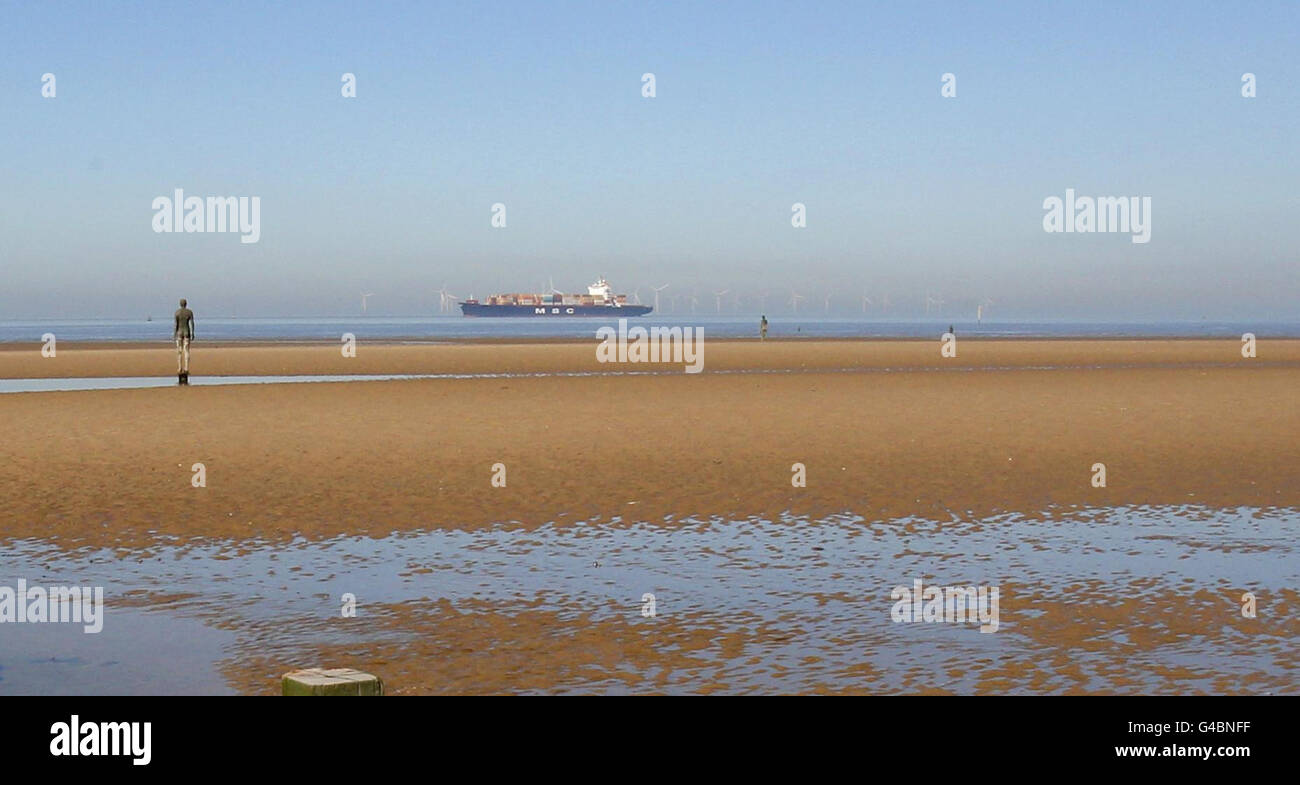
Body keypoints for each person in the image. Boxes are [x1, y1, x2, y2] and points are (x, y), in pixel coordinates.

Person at [174, 298, 195, 385]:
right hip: (186, 332)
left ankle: (179, 368)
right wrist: (193, 332)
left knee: (179, 351)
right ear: (186, 304)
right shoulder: (189, 312)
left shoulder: (177, 312)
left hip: (179, 333)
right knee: (186, 351)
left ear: (180, 304)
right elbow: (192, 323)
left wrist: (174, 333)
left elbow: (176, 324)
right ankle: (186, 368)